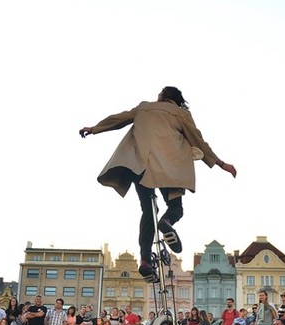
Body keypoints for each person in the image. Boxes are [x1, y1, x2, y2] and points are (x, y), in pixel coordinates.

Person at [79, 86, 237, 277]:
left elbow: (119, 119)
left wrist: (94, 128)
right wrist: (220, 163)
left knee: (148, 211)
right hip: (168, 168)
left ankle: (145, 259)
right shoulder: (181, 114)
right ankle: (167, 221)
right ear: (178, 100)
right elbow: (198, 141)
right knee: (176, 208)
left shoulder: (144, 108)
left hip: (140, 167)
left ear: (161, 97)